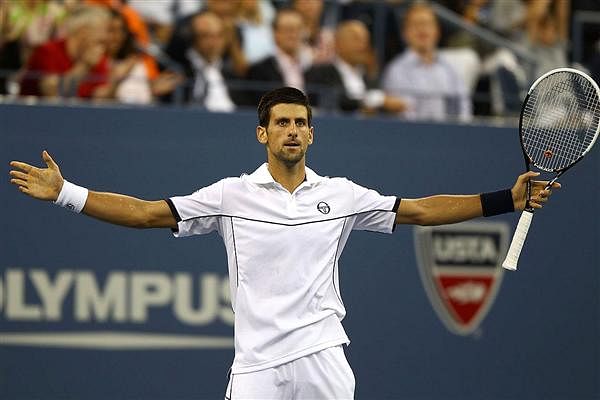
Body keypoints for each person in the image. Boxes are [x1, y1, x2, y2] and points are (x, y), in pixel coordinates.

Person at [9, 87, 559, 399]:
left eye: (301, 122)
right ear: (263, 134)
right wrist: (68, 194)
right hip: (256, 369)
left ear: (312, 133)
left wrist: (504, 201)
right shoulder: (231, 194)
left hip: (323, 356)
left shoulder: (341, 195)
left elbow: (416, 209)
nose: (292, 130)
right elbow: (149, 213)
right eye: (282, 123)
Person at [382, 2, 472, 121]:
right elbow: (404, 114)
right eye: (416, 24)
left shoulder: (450, 69)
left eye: (427, 24)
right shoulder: (396, 70)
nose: (422, 29)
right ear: (405, 33)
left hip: (449, 134)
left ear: (437, 31)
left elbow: (463, 108)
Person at [305, 20, 406, 114]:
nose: (363, 45)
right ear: (337, 43)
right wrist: (375, 101)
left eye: (365, 39)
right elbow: (335, 100)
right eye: (356, 38)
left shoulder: (369, 78)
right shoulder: (319, 73)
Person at [19, 5, 110, 98]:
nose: (106, 37)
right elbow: (52, 93)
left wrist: (116, 84)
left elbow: (99, 96)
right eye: (102, 30)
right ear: (83, 31)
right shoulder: (48, 51)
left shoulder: (98, 58)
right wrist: (84, 67)